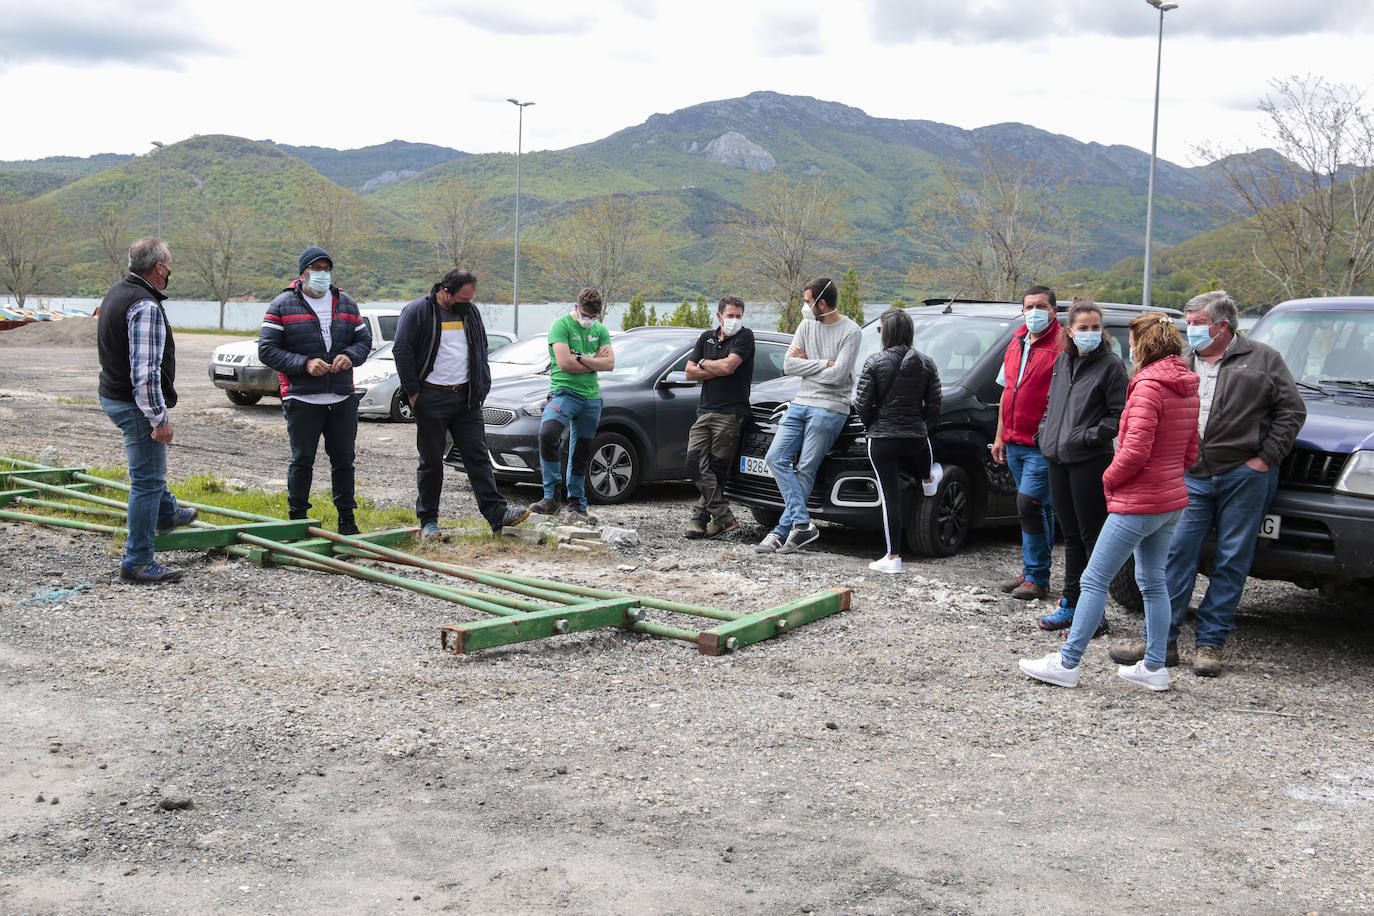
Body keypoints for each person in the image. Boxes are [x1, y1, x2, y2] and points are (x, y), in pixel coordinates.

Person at [1110, 290, 1305, 677]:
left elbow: (1291, 411)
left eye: (1198, 323)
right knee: (1175, 554)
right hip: (1191, 474)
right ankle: (1159, 643)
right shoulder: (1180, 361)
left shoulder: (1264, 359)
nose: (1191, 329)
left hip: (1243, 475)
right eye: (1190, 322)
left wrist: (1264, 458)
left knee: (1232, 559)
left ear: (1223, 325)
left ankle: (1211, 644)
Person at [1019, 313, 1199, 691]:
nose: (1128, 346)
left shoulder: (1148, 385)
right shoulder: (1186, 385)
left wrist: (1109, 479)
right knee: (1153, 582)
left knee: (1093, 579)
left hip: (1139, 501)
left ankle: (1068, 662)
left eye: (1133, 341)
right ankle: (1154, 667)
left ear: (1144, 344)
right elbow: (1190, 451)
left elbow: (1133, 451)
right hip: (1171, 499)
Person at [392, 269, 531, 539]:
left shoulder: (470, 312)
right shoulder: (417, 311)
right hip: (430, 397)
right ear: (445, 292)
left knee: (478, 457)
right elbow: (402, 350)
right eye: (462, 298)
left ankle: (497, 515)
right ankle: (429, 521)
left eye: (471, 298)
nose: (468, 303)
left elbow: (481, 347)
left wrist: (482, 385)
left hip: (466, 398)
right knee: (431, 461)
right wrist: (414, 393)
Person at [96, 237, 197, 582]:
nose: (171, 270)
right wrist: (158, 418)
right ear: (158, 268)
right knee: (147, 480)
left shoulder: (117, 292)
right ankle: (137, 561)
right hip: (134, 404)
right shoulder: (145, 306)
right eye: (169, 264)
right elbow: (145, 372)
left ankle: (168, 513)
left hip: (112, 395)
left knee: (149, 472)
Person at [258, 247, 372, 535]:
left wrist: (350, 356)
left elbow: (364, 341)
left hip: (342, 396)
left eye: (326, 268)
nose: (321, 273)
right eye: (315, 268)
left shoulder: (346, 303)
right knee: (302, 459)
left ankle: (347, 520)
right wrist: (304, 364)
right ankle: (297, 519)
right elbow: (267, 350)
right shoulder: (282, 305)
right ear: (303, 273)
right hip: (302, 398)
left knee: (344, 460)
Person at [1033, 298, 1128, 633]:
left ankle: (1095, 613)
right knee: (1070, 536)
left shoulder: (1111, 366)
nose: (1090, 333)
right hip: (1058, 458)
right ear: (1070, 331)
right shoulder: (1062, 362)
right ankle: (1070, 604)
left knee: (1091, 537)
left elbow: (1119, 415)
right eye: (1083, 328)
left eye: (1095, 327)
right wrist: (1044, 433)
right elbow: (1051, 405)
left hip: (1090, 459)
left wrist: (1088, 436)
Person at [757, 277, 862, 555]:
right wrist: (823, 364)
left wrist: (810, 365)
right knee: (774, 458)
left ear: (821, 303)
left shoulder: (851, 332)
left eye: (807, 301)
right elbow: (789, 365)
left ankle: (781, 532)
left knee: (806, 468)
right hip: (800, 402)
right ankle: (802, 523)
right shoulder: (806, 325)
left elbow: (840, 375)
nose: (805, 307)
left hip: (830, 407)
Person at [853, 307, 942, 574]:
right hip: (916, 436)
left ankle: (893, 558)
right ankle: (927, 480)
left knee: (890, 497)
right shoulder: (927, 363)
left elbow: (862, 404)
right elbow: (935, 406)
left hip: (882, 439)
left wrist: (874, 425)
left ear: (886, 332)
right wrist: (918, 419)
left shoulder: (874, 362)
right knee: (927, 465)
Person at [992, 286, 1064, 600]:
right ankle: (1034, 570)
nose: (1034, 311)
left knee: (1028, 506)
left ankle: (1036, 575)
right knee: (1039, 509)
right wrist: (999, 436)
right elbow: (1007, 391)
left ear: (1054, 311)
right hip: (1014, 440)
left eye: (1041, 306)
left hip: (1041, 443)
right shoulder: (1016, 341)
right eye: (1029, 306)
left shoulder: (1064, 345)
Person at [529, 287, 614, 526]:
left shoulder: (600, 330)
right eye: (586, 315)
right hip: (564, 393)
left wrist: (582, 359)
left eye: (593, 317)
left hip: (591, 398)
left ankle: (577, 504)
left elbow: (609, 364)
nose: (589, 321)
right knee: (548, 434)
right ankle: (551, 497)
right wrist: (594, 361)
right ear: (576, 308)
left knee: (581, 451)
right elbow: (565, 363)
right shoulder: (561, 325)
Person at [683, 296, 755, 539]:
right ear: (719, 316)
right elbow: (689, 373)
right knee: (694, 463)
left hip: (731, 412)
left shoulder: (745, 337)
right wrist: (714, 366)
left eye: (738, 316)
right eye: (730, 315)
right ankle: (724, 517)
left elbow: (729, 368)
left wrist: (704, 363)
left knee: (716, 469)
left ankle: (699, 520)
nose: (734, 320)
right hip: (705, 410)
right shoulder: (706, 337)